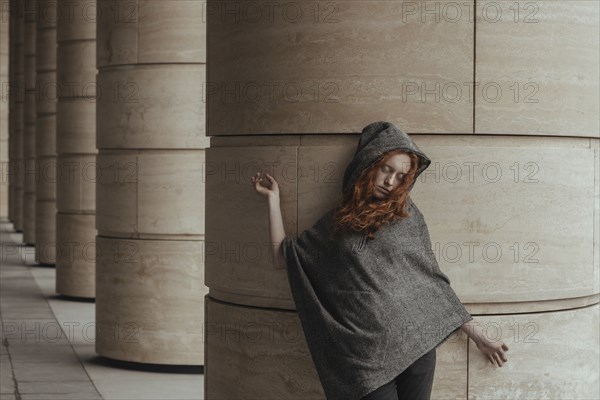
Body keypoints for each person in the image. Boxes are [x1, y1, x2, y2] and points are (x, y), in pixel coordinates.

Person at [251, 121, 509, 400]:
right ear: (370, 162)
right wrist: (272, 202)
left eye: (401, 176)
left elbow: (430, 281)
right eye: (387, 168)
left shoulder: (407, 217)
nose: (390, 181)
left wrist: (479, 335)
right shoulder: (336, 223)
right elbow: (283, 257)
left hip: (416, 348)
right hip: (364, 359)